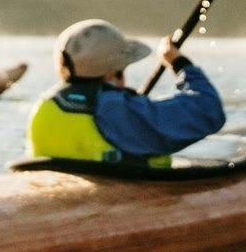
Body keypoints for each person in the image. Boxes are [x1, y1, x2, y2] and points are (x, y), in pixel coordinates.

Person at [26, 19, 226, 166]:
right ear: (111, 74)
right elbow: (209, 111)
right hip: (122, 206)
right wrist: (180, 64)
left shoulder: (45, 105)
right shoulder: (118, 110)